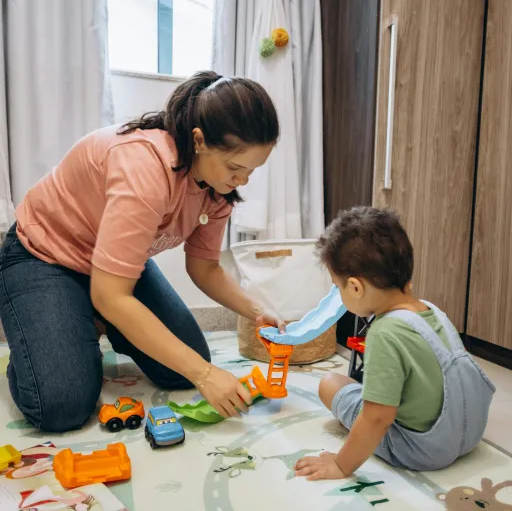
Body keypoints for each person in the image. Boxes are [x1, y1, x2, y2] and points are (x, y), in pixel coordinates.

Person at [0, 70, 286, 433]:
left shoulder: (217, 188)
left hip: (113, 268)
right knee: (60, 405)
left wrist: (257, 310)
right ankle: (44, 332)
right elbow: (111, 294)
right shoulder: (145, 168)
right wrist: (206, 375)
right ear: (199, 140)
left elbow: (206, 267)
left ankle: (90, 317)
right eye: (235, 167)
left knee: (179, 370)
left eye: (251, 171)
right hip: (43, 255)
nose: (242, 180)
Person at [294, 206, 495, 480]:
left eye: (337, 286)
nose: (340, 294)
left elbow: (378, 418)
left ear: (355, 286)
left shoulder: (384, 332)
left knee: (330, 384)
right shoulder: (432, 311)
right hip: (470, 432)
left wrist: (341, 465)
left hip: (423, 449)